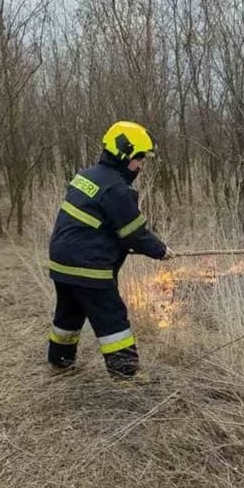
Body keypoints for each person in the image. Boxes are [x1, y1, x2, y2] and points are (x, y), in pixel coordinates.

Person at [46, 121, 174, 378]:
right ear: (125, 154)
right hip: (88, 266)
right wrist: (161, 251)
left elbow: (96, 223)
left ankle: (60, 362)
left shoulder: (86, 176)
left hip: (61, 261)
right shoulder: (116, 188)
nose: (140, 166)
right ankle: (127, 375)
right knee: (112, 320)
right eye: (139, 159)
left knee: (68, 315)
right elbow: (134, 233)